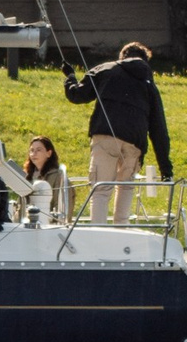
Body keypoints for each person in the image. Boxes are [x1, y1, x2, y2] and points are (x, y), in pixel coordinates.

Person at [62, 42, 172, 223]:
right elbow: (159, 129)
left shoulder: (105, 69)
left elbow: (77, 95)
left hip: (105, 137)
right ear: (145, 61)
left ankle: (99, 235)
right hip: (134, 143)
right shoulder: (149, 85)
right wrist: (165, 168)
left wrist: (70, 76)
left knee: (101, 190)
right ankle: (122, 231)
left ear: (122, 56)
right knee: (126, 189)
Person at [21, 135, 68, 223]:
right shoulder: (26, 176)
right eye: (31, 150)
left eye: (38, 150)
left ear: (49, 153)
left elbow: (60, 206)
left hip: (49, 225)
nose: (34, 153)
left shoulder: (58, 176)